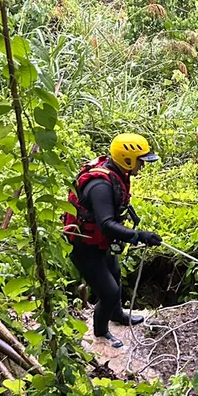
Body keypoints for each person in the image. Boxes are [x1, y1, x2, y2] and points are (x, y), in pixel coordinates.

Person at [63, 133, 163, 348]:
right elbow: (106, 224)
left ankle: (117, 315)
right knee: (109, 292)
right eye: (141, 161)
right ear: (127, 159)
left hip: (99, 243)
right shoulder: (101, 186)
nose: (143, 166)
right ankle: (101, 333)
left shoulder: (117, 173)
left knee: (115, 275)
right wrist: (139, 235)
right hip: (84, 246)